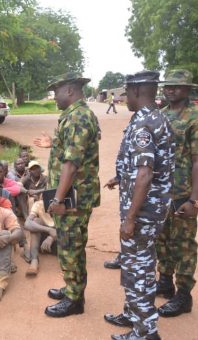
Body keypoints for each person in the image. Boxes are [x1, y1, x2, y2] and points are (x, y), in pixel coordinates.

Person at [104, 71, 174, 340]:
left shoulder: (145, 124)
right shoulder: (153, 117)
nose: (123, 97)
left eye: (126, 92)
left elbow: (145, 173)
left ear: (136, 91)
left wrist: (131, 218)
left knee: (139, 269)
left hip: (143, 213)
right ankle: (133, 314)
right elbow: (142, 167)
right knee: (136, 264)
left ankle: (145, 332)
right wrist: (120, 176)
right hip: (149, 208)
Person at [39, 72, 101, 317]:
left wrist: (57, 198)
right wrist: (53, 143)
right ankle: (71, 288)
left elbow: (72, 164)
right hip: (71, 193)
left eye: (57, 91)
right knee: (68, 243)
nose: (54, 96)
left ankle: (75, 300)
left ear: (70, 91)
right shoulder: (75, 116)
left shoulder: (78, 117)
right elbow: (72, 148)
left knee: (70, 246)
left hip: (72, 196)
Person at [154, 69, 198, 317]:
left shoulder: (195, 117)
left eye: (176, 86)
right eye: (168, 86)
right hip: (161, 192)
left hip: (183, 193)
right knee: (163, 240)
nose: (170, 90)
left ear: (188, 89)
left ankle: (184, 296)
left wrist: (195, 199)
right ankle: (165, 282)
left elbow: (197, 161)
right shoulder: (160, 115)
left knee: (183, 245)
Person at [22, 200, 56, 276]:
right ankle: (34, 260)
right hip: (43, 244)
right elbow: (27, 223)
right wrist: (50, 230)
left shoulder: (65, 203)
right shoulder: (39, 204)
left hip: (60, 240)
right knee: (35, 221)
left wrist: (51, 237)